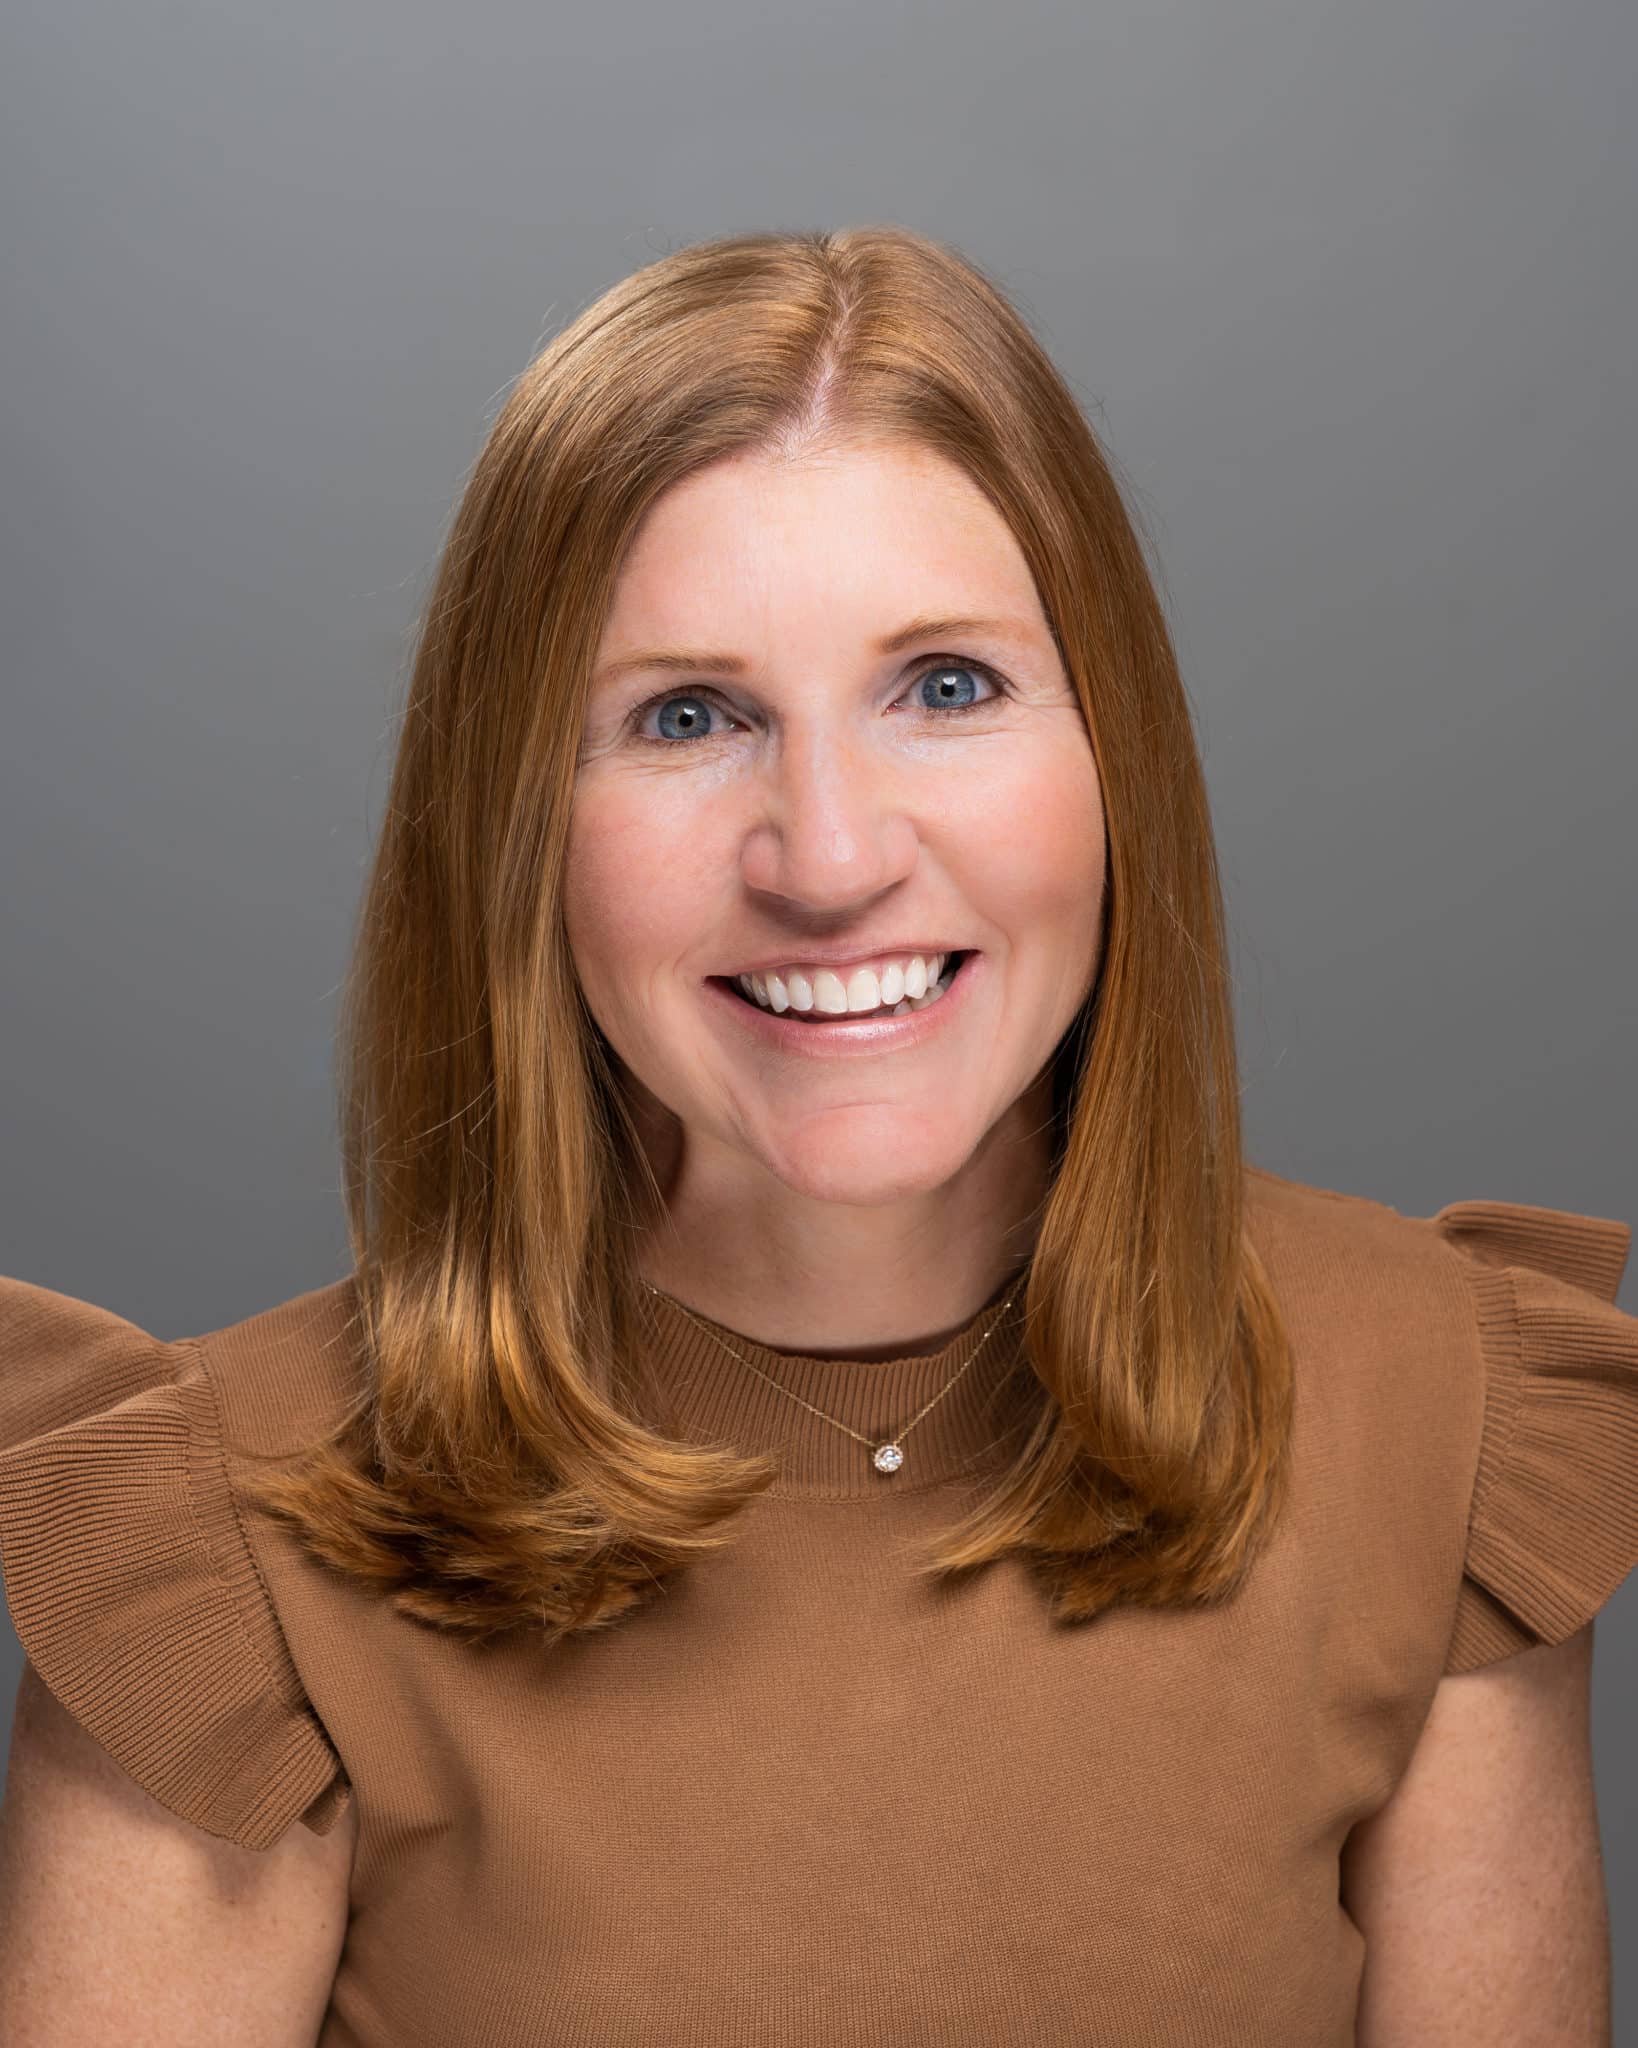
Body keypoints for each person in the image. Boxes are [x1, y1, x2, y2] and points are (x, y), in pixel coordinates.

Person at [0, 225, 1633, 2047]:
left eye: (946, 686)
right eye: (686, 717)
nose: (832, 856)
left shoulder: (1436, 1414)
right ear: (512, 824)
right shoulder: (221, 1561)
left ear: (1117, 757)